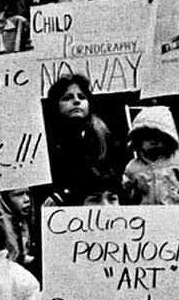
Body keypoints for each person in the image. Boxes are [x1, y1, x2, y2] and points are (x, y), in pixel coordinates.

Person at [41, 75, 127, 206]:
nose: (76, 101)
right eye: (67, 98)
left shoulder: (105, 136)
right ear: (55, 105)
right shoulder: (45, 141)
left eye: (82, 97)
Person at [122, 105, 179, 205]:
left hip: (178, 211)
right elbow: (126, 191)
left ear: (168, 137)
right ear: (138, 140)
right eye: (147, 137)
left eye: (158, 136)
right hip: (148, 214)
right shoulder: (133, 167)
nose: (154, 141)